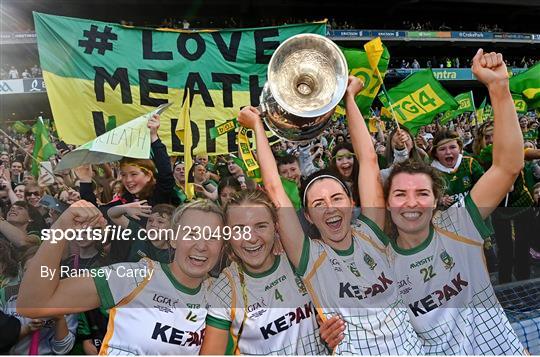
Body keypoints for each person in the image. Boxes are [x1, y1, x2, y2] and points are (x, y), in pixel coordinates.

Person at [237, 76, 423, 355]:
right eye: (319, 203)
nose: (330, 208)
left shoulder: (372, 233)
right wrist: (257, 128)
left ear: (351, 203)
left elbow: (369, 161)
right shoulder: (309, 256)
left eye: (337, 198)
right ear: (309, 216)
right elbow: (276, 190)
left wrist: (349, 99)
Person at [384, 49, 525, 354]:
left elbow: (507, 166)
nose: (412, 203)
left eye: (422, 193)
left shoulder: (460, 222)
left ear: (436, 200)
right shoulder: (381, 262)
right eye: (400, 193)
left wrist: (499, 89)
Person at [17, 199, 224, 355]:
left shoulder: (221, 295)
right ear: (173, 240)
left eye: (212, 236)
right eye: (191, 234)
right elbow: (34, 304)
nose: (201, 245)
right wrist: (61, 228)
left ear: (222, 246)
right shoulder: (136, 275)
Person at [201, 190, 327, 355]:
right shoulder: (223, 291)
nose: (252, 238)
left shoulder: (297, 261)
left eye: (260, 226)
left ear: (275, 227)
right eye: (239, 229)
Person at [430, 129, 485, 208]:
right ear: (435, 153)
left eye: (452, 147)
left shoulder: (469, 163)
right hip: (448, 217)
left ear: (459, 148)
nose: (448, 152)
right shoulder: (431, 172)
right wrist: (439, 200)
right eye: (442, 149)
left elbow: (484, 185)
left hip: (474, 212)